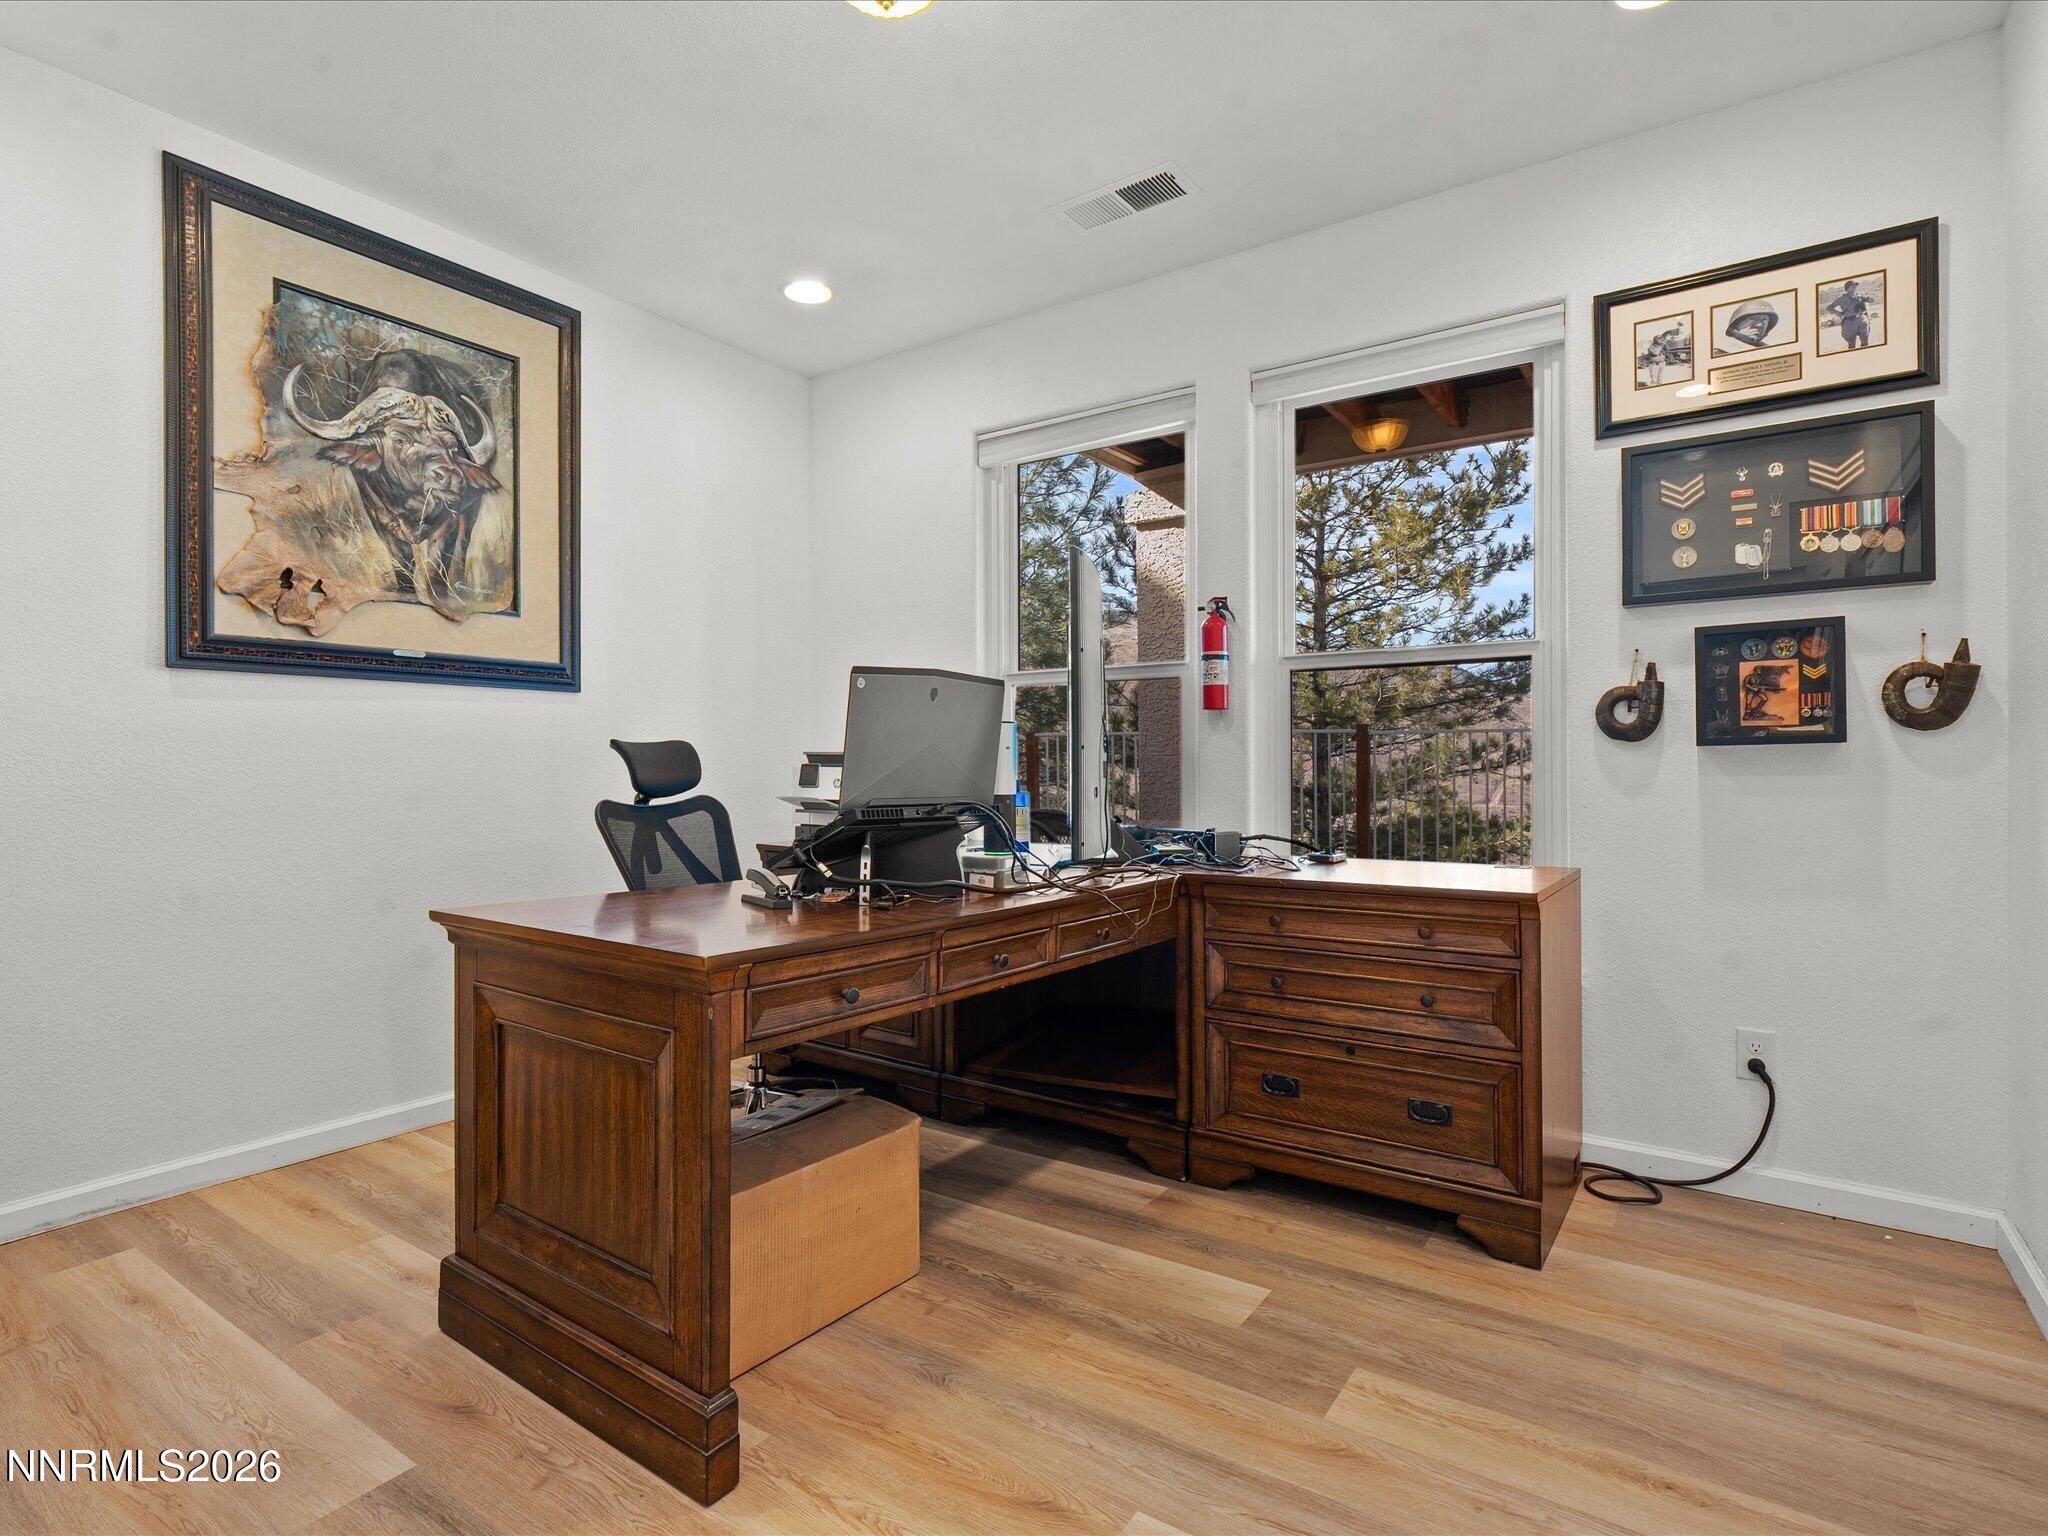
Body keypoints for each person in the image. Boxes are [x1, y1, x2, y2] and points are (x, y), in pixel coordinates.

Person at [1824, 279, 1876, 350]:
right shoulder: (1842, 298)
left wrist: (1868, 298)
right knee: (1851, 344)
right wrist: (1838, 313)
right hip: (1850, 322)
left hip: (1862, 320)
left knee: (1865, 342)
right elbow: (1829, 307)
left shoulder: (1859, 295)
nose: (1854, 288)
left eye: (1855, 286)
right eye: (1852, 286)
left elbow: (1872, 300)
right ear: (1847, 288)